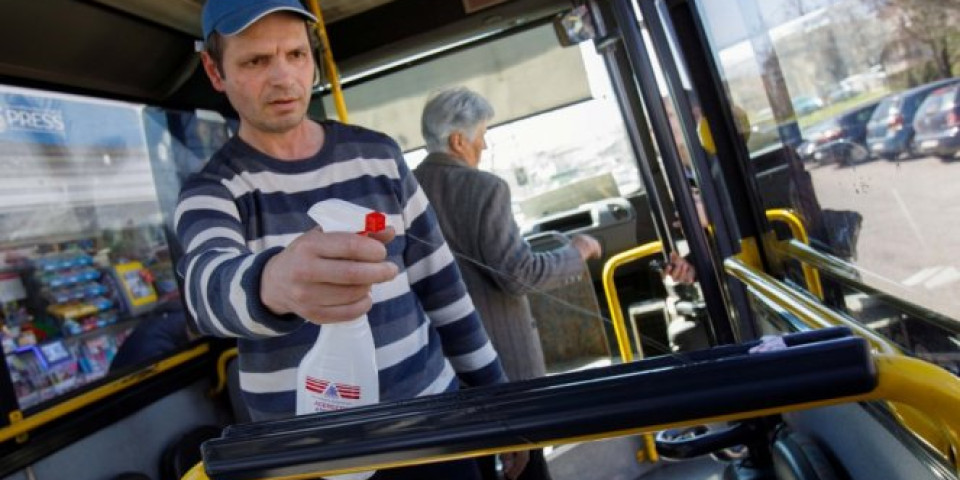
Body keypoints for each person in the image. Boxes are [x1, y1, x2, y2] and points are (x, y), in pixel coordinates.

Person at [176, 2, 507, 478]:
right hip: (309, 453)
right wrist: (274, 283)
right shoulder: (212, 189)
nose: (283, 77)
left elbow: (442, 286)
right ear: (214, 69)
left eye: (295, 53)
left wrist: (496, 397)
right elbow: (205, 287)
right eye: (255, 61)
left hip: (433, 427)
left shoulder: (379, 155)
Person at [413, 87, 603, 480]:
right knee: (527, 470)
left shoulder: (405, 191)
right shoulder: (485, 189)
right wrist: (577, 252)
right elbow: (518, 275)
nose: (485, 143)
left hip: (438, 368)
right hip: (500, 366)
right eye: (482, 133)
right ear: (458, 140)